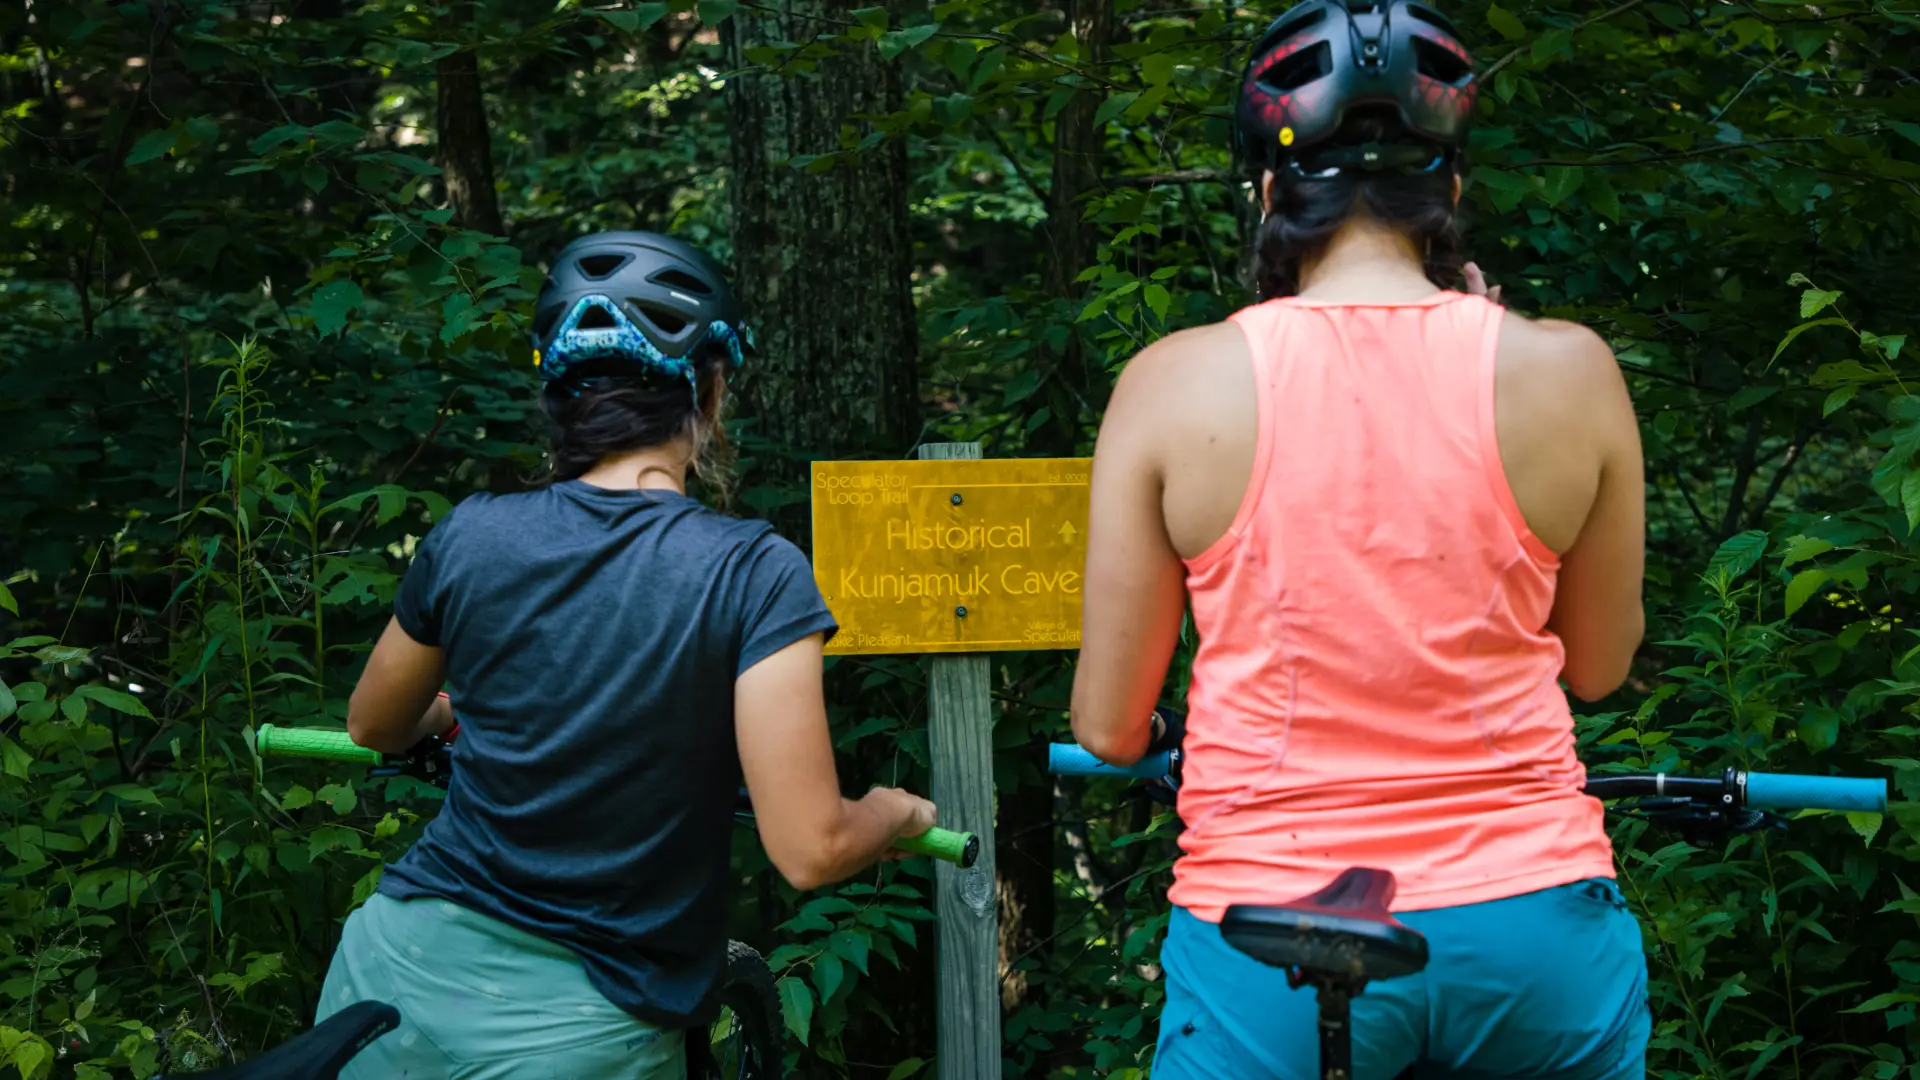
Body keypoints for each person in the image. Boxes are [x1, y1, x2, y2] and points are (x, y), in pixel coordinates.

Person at [1069, 3, 1649, 1078]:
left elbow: (1107, 727)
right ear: (1453, 194)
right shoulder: (1568, 371)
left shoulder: (1174, 384)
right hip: (1531, 925)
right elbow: (1603, 666)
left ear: (1268, 195)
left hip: (1275, 934)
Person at [315, 231, 938, 1078]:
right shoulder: (751, 570)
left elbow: (374, 723)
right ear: (710, 390)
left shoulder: (471, 536)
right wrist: (896, 814)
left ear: (558, 396)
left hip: (389, 979)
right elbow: (813, 847)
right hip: (579, 1029)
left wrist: (455, 720)